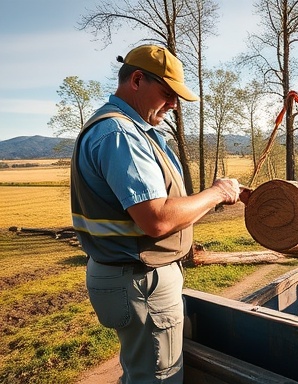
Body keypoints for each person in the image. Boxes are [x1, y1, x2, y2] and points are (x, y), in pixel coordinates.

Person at [70, 44, 242, 383]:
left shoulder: (127, 129)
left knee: (142, 370)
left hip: (131, 277)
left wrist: (207, 198)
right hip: (139, 280)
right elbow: (157, 218)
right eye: (168, 93)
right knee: (158, 377)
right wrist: (216, 194)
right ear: (137, 80)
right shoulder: (121, 133)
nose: (175, 104)